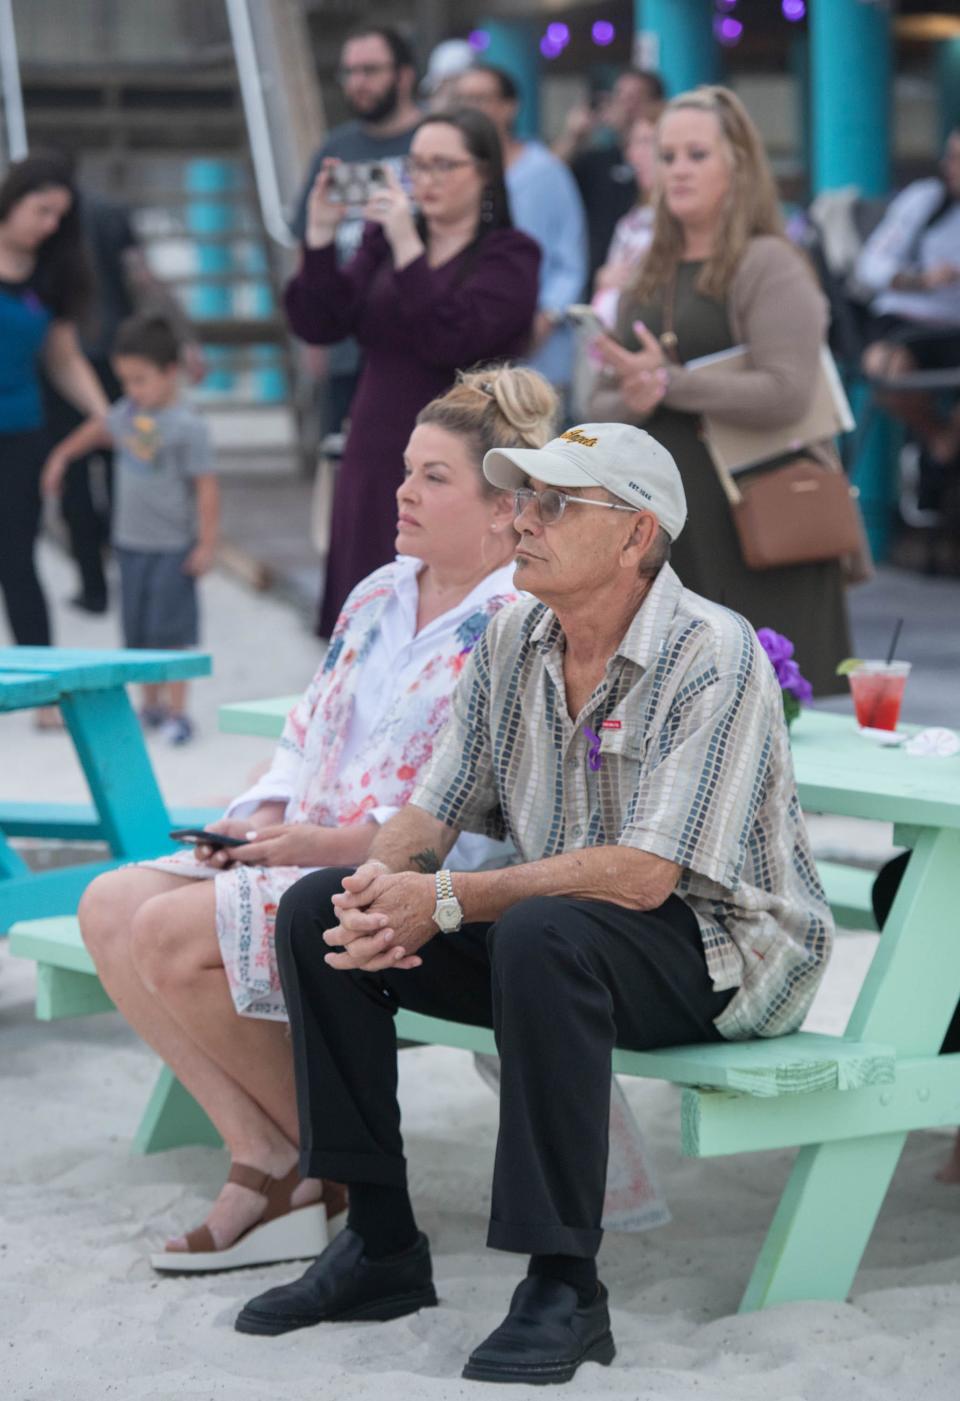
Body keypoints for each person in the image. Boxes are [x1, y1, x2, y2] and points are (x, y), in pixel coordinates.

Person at [237, 421, 834, 1385]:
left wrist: (447, 897)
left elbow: (645, 877)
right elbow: (431, 808)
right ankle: (379, 1245)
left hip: (725, 952)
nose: (523, 521)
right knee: (316, 914)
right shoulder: (516, 634)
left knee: (540, 930)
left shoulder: (711, 651)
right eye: (521, 497)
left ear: (638, 534)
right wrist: (381, 887)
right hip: (569, 938)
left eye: (556, 503)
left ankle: (566, 1286)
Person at [76, 365, 558, 1273]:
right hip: (296, 847)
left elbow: (474, 812)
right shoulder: (380, 590)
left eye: (432, 476)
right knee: (106, 904)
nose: (400, 489)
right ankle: (277, 1156)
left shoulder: (518, 623)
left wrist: (311, 845)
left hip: (403, 878)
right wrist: (253, 822)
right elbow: (306, 731)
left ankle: (338, 1167)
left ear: (506, 508)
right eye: (405, 469)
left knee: (169, 933)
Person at [592, 86, 851, 696]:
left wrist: (670, 384)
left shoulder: (770, 262)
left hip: (758, 522)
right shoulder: (646, 274)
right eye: (668, 153)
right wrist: (635, 395)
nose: (678, 169)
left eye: (696, 155)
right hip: (669, 527)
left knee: (772, 720)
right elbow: (603, 404)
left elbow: (787, 392)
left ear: (736, 164)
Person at [286, 106, 541, 637]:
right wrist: (319, 239)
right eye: (417, 166)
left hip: (462, 459)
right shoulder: (382, 244)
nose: (425, 180)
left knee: (450, 618)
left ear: (485, 172)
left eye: (443, 165)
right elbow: (320, 322)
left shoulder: (510, 256)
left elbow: (452, 340)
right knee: (366, 619)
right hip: (376, 447)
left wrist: (407, 243)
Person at [42, 314, 217, 744]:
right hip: (130, 545)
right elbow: (96, 430)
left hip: (172, 548)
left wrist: (206, 544)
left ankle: (179, 712)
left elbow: (207, 489)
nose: (131, 390)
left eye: (140, 380)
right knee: (137, 633)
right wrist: (61, 457)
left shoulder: (189, 427)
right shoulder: (126, 414)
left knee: (172, 635)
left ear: (170, 372)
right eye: (125, 381)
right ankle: (150, 706)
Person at [43, 181, 206, 615]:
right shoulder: (110, 211)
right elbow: (144, 278)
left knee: (77, 483)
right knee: (131, 465)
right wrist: (183, 337)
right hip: (123, 358)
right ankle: (132, 563)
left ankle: (94, 585)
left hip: (70, 361)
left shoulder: (44, 223)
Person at [290, 25, 422, 440]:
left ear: (404, 75)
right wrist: (314, 343)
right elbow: (308, 243)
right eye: (349, 72)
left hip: (420, 340)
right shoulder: (335, 148)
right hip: (346, 344)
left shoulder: (434, 141)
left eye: (370, 70)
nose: (357, 83)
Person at [0, 152, 108, 655]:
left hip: (20, 429)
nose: (50, 225)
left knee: (17, 556)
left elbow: (63, 359)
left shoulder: (51, 272)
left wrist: (106, 414)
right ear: (14, 199)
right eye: (41, 210)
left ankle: (42, 684)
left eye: (59, 217)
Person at [455, 63, 587, 398]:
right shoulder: (453, 174)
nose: (472, 108)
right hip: (469, 360)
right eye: (463, 99)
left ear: (509, 106)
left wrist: (544, 319)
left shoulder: (545, 171)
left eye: (481, 98)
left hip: (538, 360)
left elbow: (570, 258)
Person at [856, 124, 960, 490]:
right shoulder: (925, 199)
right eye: (950, 157)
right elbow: (871, 266)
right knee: (882, 366)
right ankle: (939, 439)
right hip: (906, 321)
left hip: (955, 328)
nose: (952, 167)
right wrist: (923, 280)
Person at [554, 69, 666, 282]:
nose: (625, 105)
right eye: (619, 97)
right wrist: (574, 136)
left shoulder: (674, 169)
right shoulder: (599, 158)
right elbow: (550, 178)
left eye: (635, 97)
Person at [592, 113, 659, 320]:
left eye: (647, 142)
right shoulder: (631, 220)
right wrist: (602, 278)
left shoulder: (686, 221)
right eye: (632, 144)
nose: (633, 155)